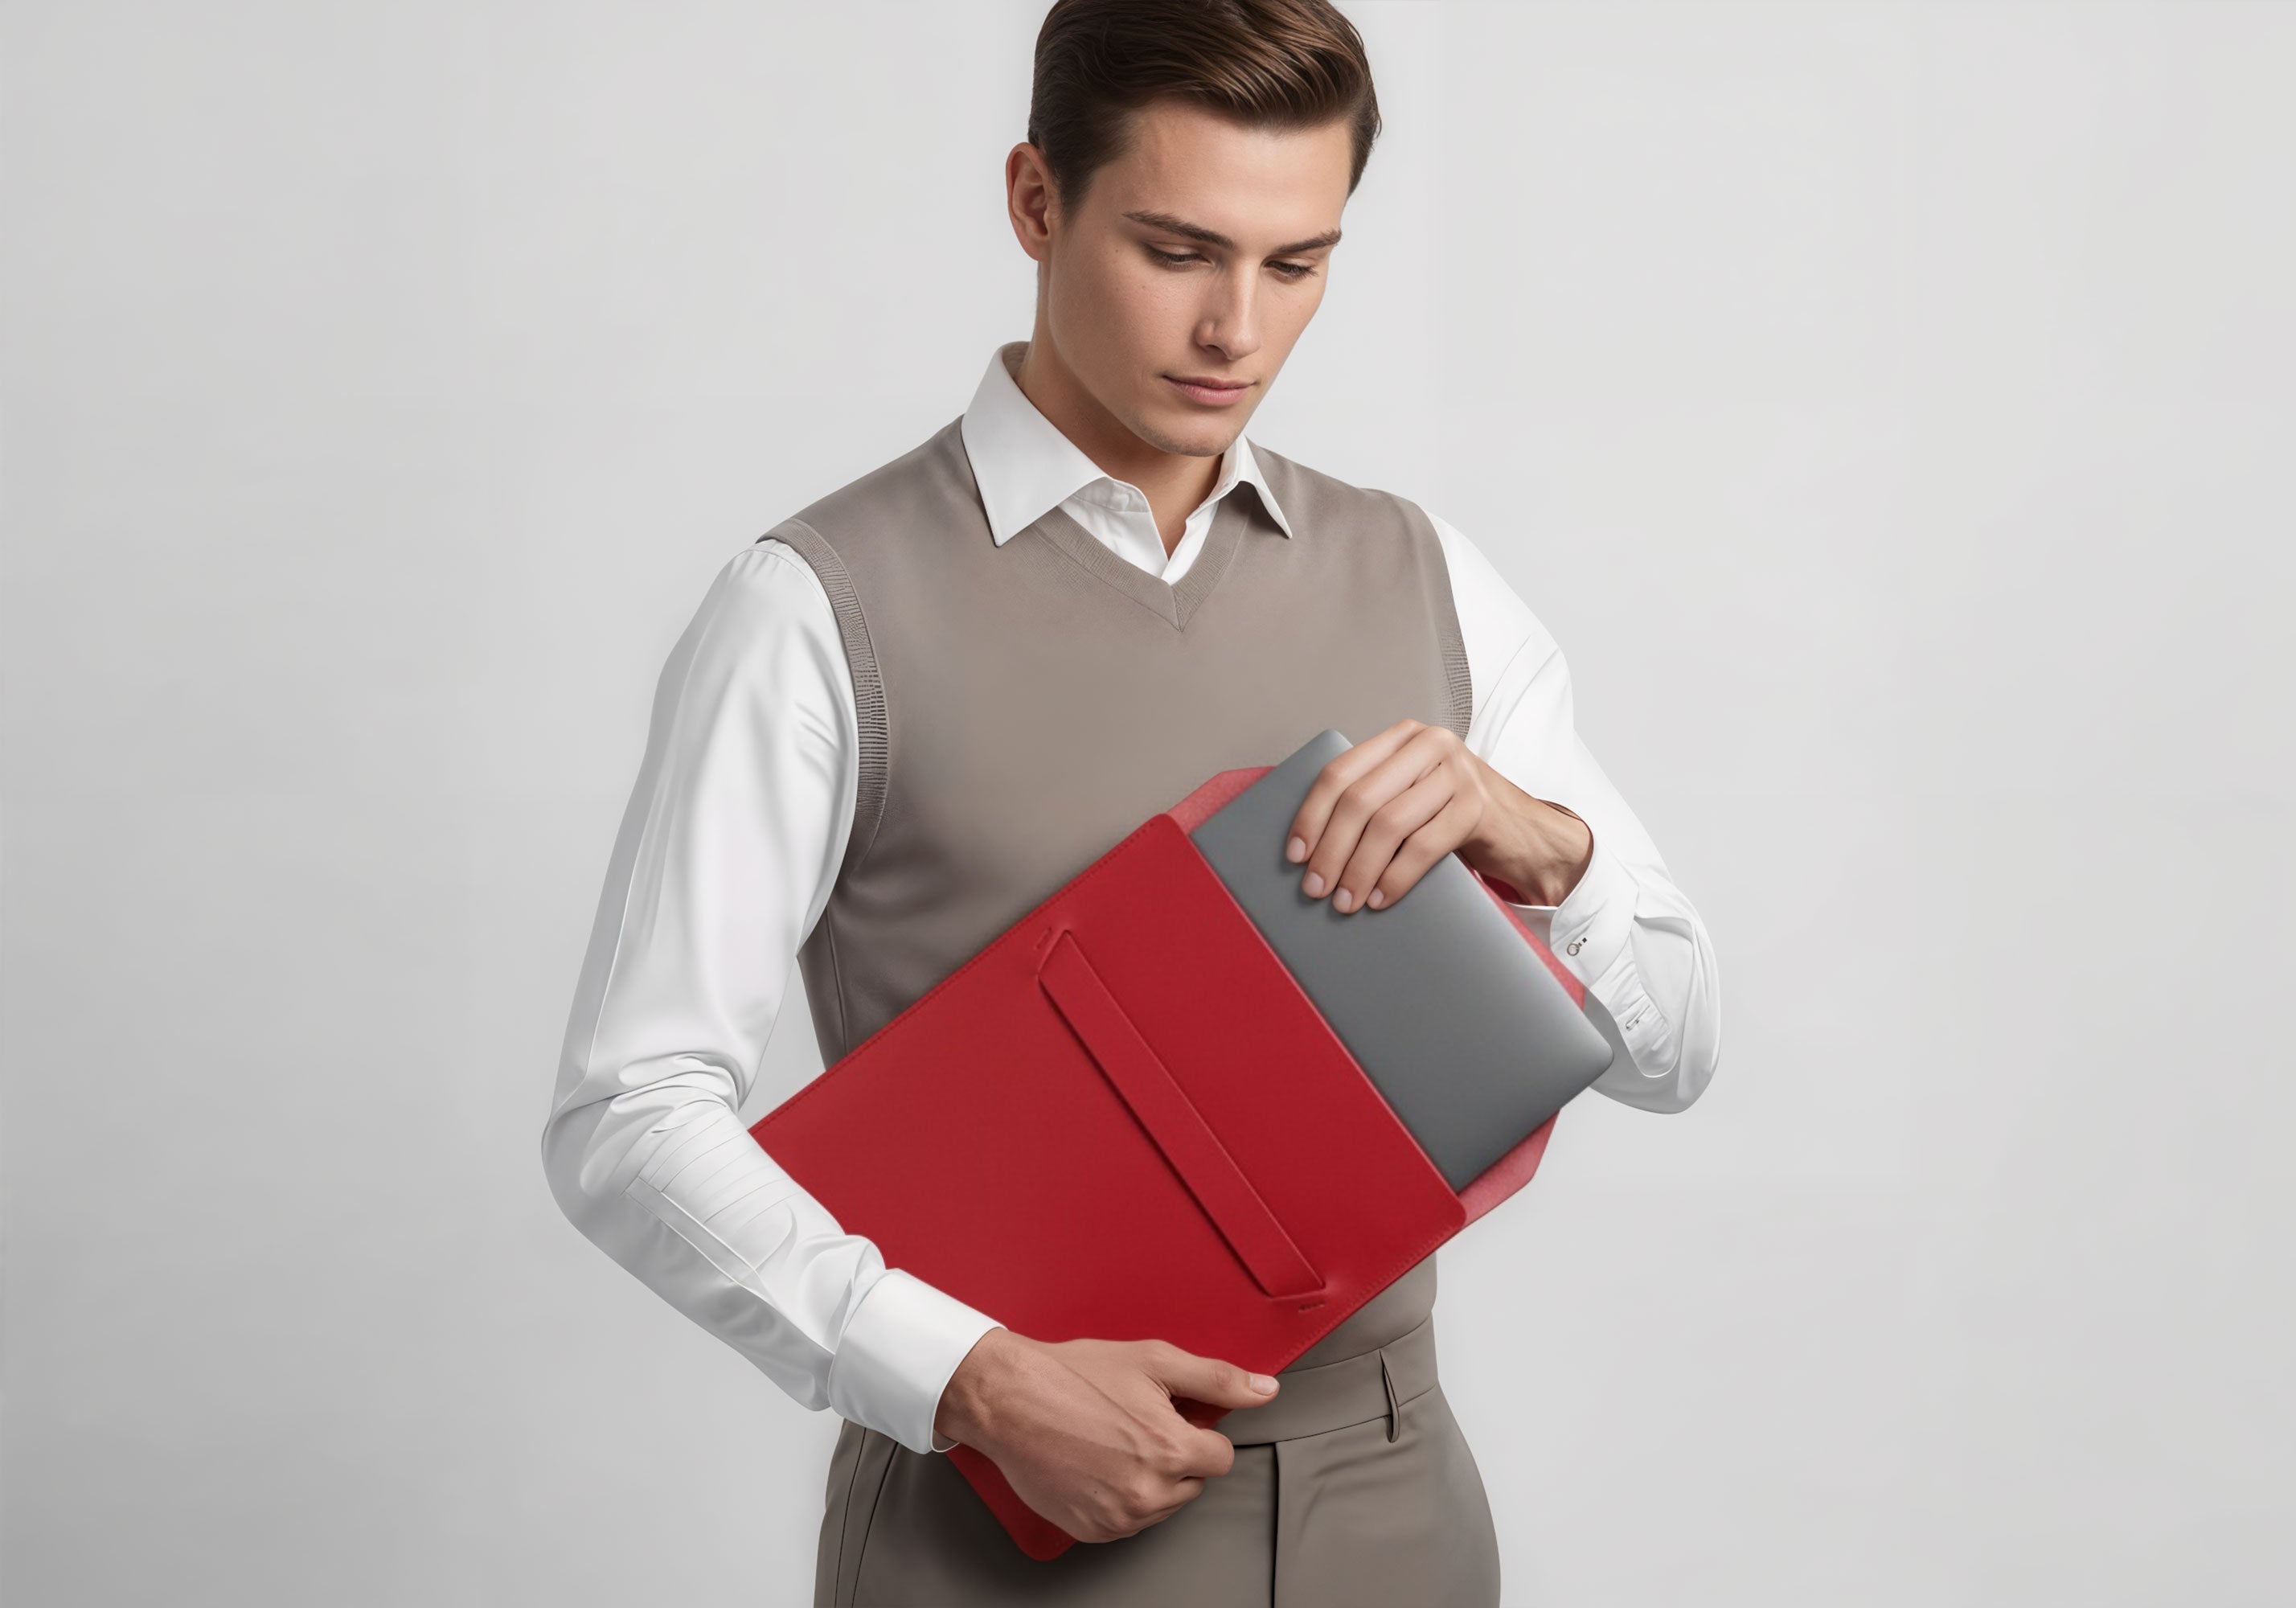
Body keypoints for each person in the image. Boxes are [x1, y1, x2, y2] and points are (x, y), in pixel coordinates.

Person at [539, 1, 1721, 1602]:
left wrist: (1548, 844)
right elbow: (631, 1112)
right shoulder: (817, 605)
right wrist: (966, 1378)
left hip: (1396, 1508)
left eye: (1297, 265)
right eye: (1179, 252)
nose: (1237, 326)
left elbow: (1672, 1052)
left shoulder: (1426, 576)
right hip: (999, 1519)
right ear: (1037, 202)